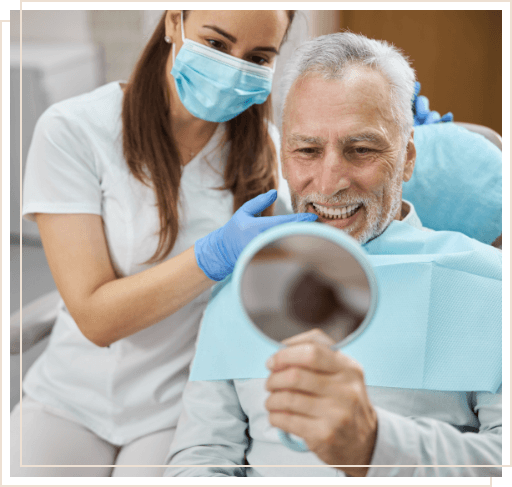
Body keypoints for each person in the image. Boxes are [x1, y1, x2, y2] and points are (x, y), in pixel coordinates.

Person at [164, 32, 502, 477]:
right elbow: (200, 455)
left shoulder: (491, 286)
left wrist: (376, 445)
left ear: (406, 160)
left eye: (360, 150)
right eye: (306, 150)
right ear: (283, 158)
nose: (329, 183)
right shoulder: (244, 281)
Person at [11, 10, 321, 477]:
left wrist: (404, 140)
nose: (235, 67)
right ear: (174, 22)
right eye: (217, 44)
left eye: (257, 57)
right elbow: (96, 318)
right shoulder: (74, 130)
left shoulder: (270, 155)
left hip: (180, 406)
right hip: (70, 396)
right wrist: (212, 256)